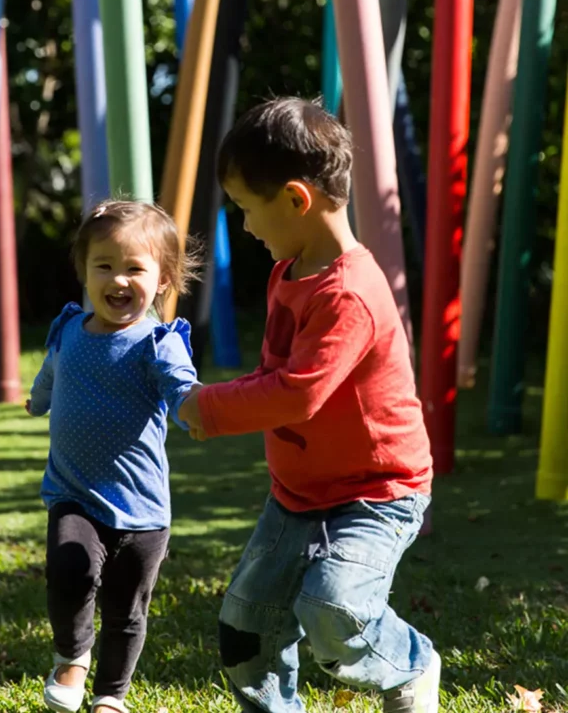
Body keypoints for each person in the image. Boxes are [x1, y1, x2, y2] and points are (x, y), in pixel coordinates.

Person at [178, 97, 438, 713]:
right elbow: (273, 373)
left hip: (377, 490)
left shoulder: (349, 293)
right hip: (298, 494)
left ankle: (409, 666)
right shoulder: (290, 271)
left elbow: (298, 393)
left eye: (247, 209)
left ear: (296, 199)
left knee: (334, 610)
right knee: (246, 629)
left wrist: (206, 407)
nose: (245, 227)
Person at [27, 199, 200, 713]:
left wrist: (198, 411)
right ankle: (71, 656)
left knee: (127, 610)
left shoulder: (157, 343)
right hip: (75, 493)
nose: (118, 279)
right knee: (69, 570)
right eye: (104, 265)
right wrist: (37, 402)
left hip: (144, 510)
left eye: (134, 268)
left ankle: (111, 697)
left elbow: (182, 391)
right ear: (83, 270)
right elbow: (51, 376)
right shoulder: (70, 332)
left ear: (163, 279)